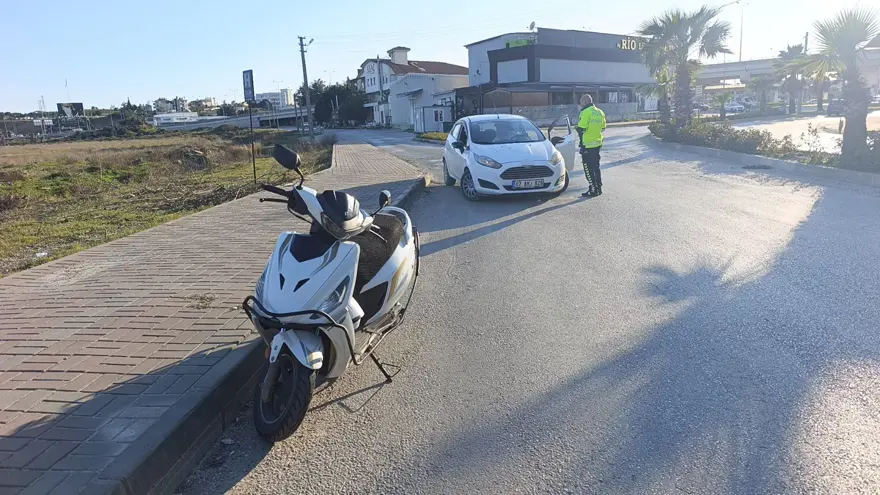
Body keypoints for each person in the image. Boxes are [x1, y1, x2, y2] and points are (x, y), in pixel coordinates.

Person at [576, 94, 607, 197]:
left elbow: (581, 128)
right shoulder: (600, 112)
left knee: (588, 168)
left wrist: (582, 143)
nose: (580, 104)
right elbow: (603, 128)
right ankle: (598, 187)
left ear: (584, 102)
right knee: (596, 167)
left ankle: (593, 189)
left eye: (581, 102)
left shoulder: (585, 112)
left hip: (587, 145)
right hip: (597, 144)